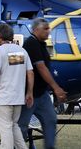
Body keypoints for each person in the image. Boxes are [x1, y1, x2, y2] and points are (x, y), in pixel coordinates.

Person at [18, 18, 67, 149]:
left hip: (41, 94)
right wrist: (56, 88)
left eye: (48, 28)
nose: (48, 31)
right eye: (45, 28)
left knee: (50, 119)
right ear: (35, 30)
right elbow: (41, 67)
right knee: (22, 125)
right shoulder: (31, 43)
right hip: (28, 94)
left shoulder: (41, 44)